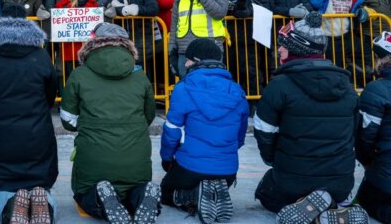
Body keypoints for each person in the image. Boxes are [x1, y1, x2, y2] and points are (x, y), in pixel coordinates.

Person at [253, 12, 367, 224]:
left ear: (297, 49)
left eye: (283, 45)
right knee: (326, 190)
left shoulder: (279, 85)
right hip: (341, 182)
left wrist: (272, 159)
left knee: (265, 193)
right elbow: (354, 131)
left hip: (293, 179)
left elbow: (263, 132)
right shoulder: (348, 88)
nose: (279, 49)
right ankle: (331, 209)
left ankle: (313, 210)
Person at [60, 23, 159, 224]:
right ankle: (142, 195)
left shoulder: (79, 75)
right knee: (135, 189)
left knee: (84, 193)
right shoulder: (140, 76)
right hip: (135, 159)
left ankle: (100, 196)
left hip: (93, 157)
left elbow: (68, 120)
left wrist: (90, 125)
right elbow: (149, 116)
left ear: (93, 43)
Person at [0, 17, 58, 224]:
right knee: (41, 185)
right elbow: (50, 94)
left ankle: (9, 204)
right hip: (36, 136)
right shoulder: (41, 56)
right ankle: (43, 202)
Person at [160, 38, 249, 224]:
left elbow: (172, 131)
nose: (185, 63)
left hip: (190, 168)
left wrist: (167, 158)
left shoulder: (183, 88)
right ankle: (212, 192)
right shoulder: (237, 91)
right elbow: (240, 135)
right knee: (215, 175)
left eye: (188, 59)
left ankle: (192, 194)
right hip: (228, 171)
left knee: (165, 193)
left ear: (196, 61)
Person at [169, 0, 229, 77]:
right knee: (187, 87)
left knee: (211, 85)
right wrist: (171, 51)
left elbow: (219, 12)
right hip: (184, 49)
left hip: (209, 47)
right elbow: (174, 24)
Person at [355, 32, 391, 224]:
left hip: (384, 179)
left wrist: (368, 162)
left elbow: (364, 138)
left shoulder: (376, 89)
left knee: (366, 200)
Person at [222, 0, 268, 95]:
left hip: (251, 37)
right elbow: (219, 5)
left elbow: (266, 5)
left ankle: (253, 100)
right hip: (229, 37)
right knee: (229, 71)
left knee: (251, 71)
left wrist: (249, 11)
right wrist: (232, 10)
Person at [309, 0, 368, 69]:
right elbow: (315, 3)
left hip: (346, 34)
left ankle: (358, 80)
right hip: (327, 35)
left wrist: (361, 11)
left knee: (363, 56)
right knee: (334, 64)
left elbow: (359, 6)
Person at [106, 0, 160, 78]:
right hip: (120, 41)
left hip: (143, 39)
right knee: (122, 72)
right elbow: (110, 7)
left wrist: (136, 9)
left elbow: (153, 8)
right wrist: (120, 9)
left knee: (143, 73)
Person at [56, 0, 99, 94]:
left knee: (87, 77)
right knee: (69, 77)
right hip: (69, 49)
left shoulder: (92, 3)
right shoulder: (62, 5)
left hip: (87, 48)